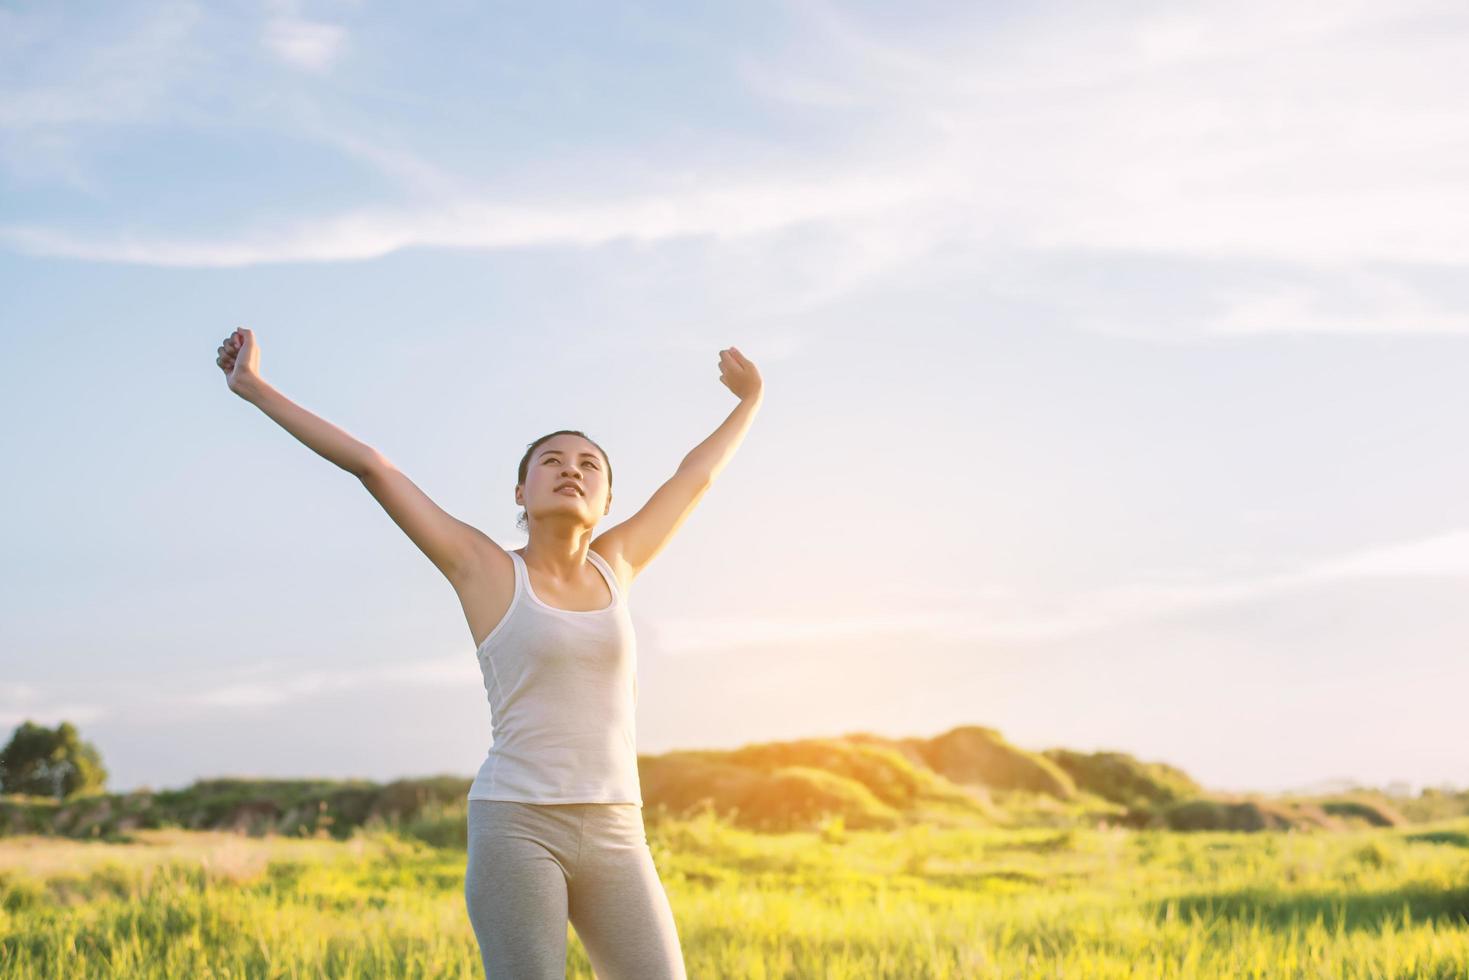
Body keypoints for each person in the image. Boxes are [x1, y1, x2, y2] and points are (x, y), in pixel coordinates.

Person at [214, 327, 763, 979]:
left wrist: (748, 399)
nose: (570, 469)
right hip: (517, 823)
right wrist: (253, 387)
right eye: (551, 461)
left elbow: (693, 478)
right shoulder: (483, 569)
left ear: (607, 501)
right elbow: (374, 466)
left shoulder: (617, 564)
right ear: (519, 493)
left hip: (617, 825)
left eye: (588, 465)